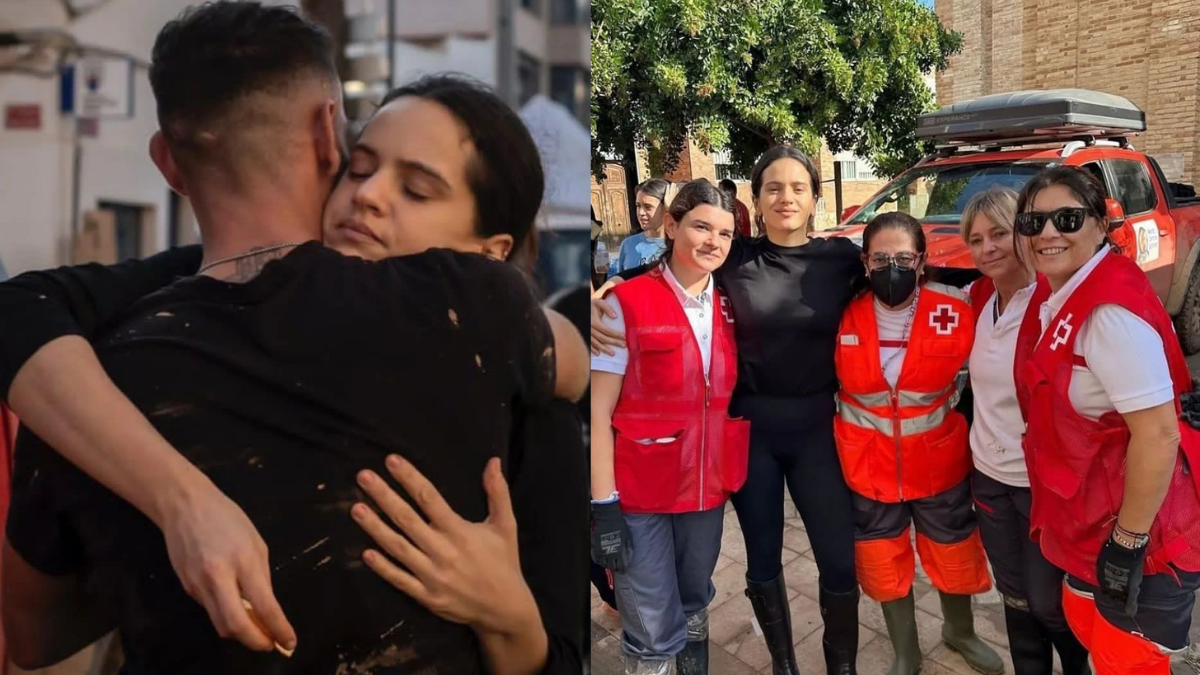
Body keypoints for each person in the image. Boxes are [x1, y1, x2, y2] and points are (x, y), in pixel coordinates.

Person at [0, 5, 586, 674]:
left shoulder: (508, 360)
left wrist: (509, 616)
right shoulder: (91, 372)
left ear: (489, 252)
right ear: (327, 141)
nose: (368, 196)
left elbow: (36, 636)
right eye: (360, 170)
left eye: (417, 189)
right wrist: (177, 507)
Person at [593, 147, 861, 675]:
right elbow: (663, 271)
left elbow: (905, 281)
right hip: (750, 433)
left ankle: (842, 669)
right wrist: (598, 296)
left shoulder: (841, 260)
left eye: (798, 188)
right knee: (761, 560)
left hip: (816, 431)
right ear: (757, 200)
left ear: (814, 198)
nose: (786, 197)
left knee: (837, 558)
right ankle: (784, 667)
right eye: (773, 188)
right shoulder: (734, 257)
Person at [1012, 165, 1200, 675]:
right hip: (1090, 526)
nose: (1048, 233)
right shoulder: (1064, 296)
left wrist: (1128, 543)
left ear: (1100, 225)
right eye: (1034, 224)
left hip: (1143, 545)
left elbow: (1158, 435)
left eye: (1067, 219)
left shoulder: (1106, 312)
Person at [591, 180, 747, 675]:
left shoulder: (732, 305)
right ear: (672, 225)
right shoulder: (623, 303)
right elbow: (596, 412)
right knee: (651, 620)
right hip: (639, 496)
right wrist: (603, 506)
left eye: (724, 233)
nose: (713, 242)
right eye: (701, 226)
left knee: (695, 594)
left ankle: (692, 662)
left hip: (705, 489)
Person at [836, 212, 1001, 675]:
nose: (893, 267)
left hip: (938, 461)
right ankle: (906, 651)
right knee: (882, 557)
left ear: (922, 260)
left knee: (953, 550)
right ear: (865, 263)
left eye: (904, 257)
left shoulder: (957, 307)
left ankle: (960, 631)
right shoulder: (840, 311)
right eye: (881, 258)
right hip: (866, 465)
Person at [961, 187, 1089, 675]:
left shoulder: (1055, 300)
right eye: (976, 240)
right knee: (1013, 596)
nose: (987, 248)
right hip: (989, 476)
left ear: (1023, 232)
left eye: (998, 233)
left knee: (1048, 602)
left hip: (1041, 485)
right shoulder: (978, 297)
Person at [612, 179, 670, 276]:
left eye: (648, 207)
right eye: (638, 206)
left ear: (666, 207)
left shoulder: (678, 245)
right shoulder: (628, 244)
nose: (641, 213)